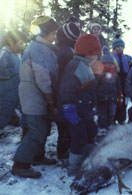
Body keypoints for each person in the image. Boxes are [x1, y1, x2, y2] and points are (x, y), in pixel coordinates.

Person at [11, 15, 59, 178]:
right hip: (35, 95)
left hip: (34, 94)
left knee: (43, 127)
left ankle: (37, 156)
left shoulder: (38, 47)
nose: (55, 36)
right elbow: (42, 75)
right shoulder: (39, 48)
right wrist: (49, 97)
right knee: (36, 130)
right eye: (53, 33)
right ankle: (20, 164)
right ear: (45, 33)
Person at [57, 34, 101, 176]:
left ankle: (86, 160)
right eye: (95, 54)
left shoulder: (85, 65)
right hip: (75, 112)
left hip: (84, 111)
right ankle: (74, 168)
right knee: (79, 138)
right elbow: (67, 91)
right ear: (88, 53)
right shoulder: (76, 67)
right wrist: (70, 111)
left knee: (91, 131)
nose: (97, 57)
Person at [55, 22, 80, 160]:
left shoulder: (58, 49)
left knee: (63, 123)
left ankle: (63, 152)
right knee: (66, 124)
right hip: (66, 92)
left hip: (60, 91)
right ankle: (64, 153)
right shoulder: (68, 52)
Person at [0, 30, 26, 130]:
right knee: (3, 118)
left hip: (17, 94)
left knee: (25, 113)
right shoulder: (4, 54)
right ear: (11, 41)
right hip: (6, 96)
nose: (22, 46)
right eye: (20, 43)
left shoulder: (16, 55)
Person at [95, 46, 121, 129]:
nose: (108, 65)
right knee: (102, 114)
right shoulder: (99, 74)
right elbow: (95, 85)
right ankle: (102, 128)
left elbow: (118, 85)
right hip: (101, 98)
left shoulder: (115, 74)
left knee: (111, 113)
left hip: (112, 97)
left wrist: (119, 95)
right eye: (106, 64)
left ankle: (109, 126)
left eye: (110, 63)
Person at [112, 37, 129, 124]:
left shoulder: (126, 58)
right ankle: (113, 118)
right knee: (116, 99)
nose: (119, 48)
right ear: (114, 48)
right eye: (117, 47)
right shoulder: (112, 57)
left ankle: (122, 118)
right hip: (115, 79)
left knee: (123, 100)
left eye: (121, 47)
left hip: (124, 80)